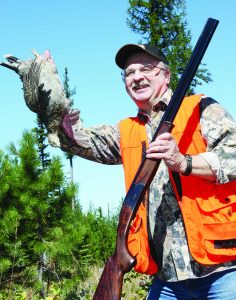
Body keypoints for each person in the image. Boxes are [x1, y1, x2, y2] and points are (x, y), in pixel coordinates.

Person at [1, 44, 236, 299]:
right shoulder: (126, 131)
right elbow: (79, 140)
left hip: (222, 273)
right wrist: (53, 105)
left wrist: (184, 162)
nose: (136, 77)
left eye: (145, 68)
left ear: (166, 76)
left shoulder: (200, 108)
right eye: (129, 73)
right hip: (167, 282)